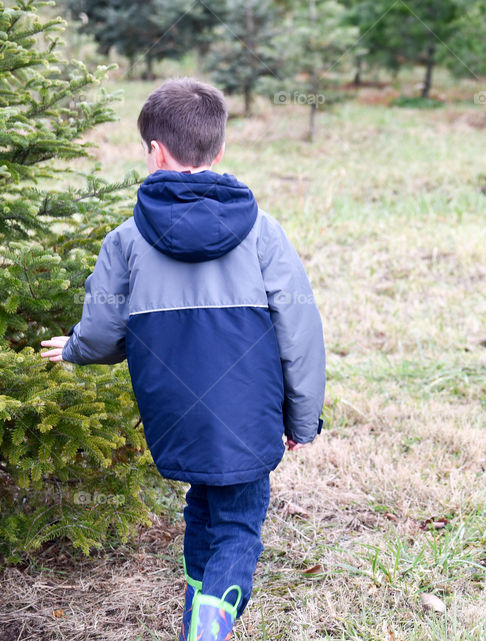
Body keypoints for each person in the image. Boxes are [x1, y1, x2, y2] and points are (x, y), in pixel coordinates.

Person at [40, 78, 326, 641]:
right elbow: (301, 333)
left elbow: (100, 332)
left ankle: (198, 614)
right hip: (248, 415)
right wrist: (302, 419)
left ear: (155, 152)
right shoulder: (265, 234)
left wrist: (73, 348)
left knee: (200, 501)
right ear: (220, 151)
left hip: (174, 414)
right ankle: (210, 624)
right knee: (238, 523)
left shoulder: (125, 239)